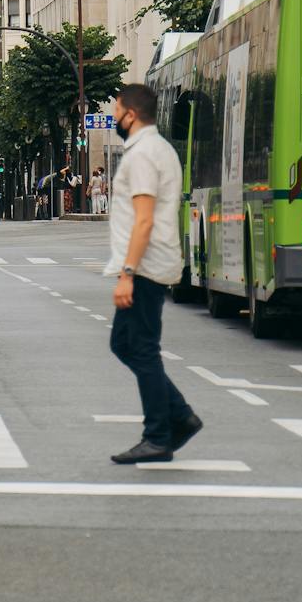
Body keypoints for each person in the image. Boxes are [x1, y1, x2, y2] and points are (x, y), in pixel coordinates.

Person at [104, 83, 201, 466]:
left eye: (115, 111)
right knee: (125, 343)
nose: (113, 118)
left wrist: (128, 272)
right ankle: (178, 416)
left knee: (140, 347)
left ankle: (158, 435)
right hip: (150, 262)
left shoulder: (143, 154)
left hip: (144, 265)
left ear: (131, 113)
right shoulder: (157, 149)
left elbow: (143, 219)